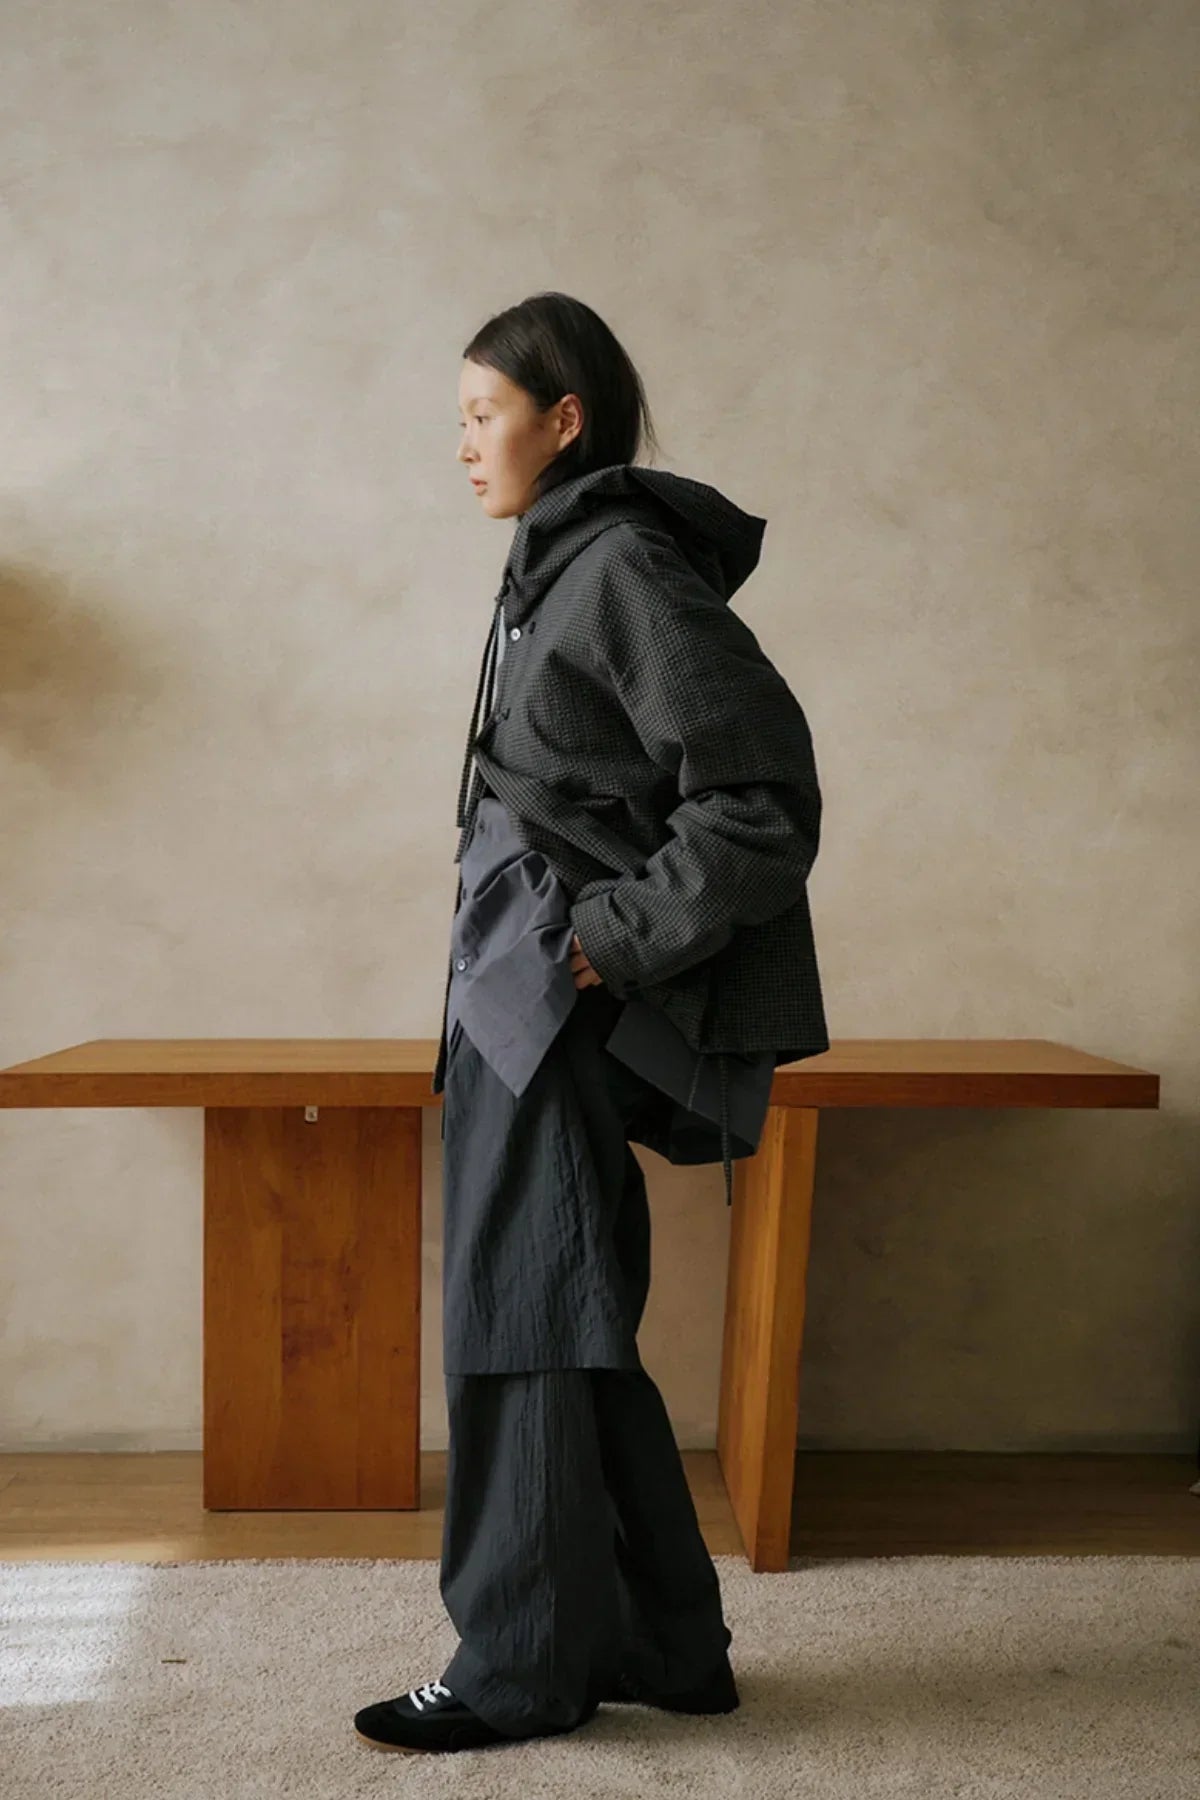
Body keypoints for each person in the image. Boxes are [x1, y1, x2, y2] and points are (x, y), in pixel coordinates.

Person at [354, 292, 828, 1755]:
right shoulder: (551, 574)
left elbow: (759, 804)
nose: (462, 446)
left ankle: (520, 1669)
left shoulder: (619, 565)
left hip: (551, 1008)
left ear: (565, 421)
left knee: (526, 1323)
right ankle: (668, 1645)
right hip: (514, 1002)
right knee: (560, 1312)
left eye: (482, 414)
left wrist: (599, 950)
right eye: (458, 418)